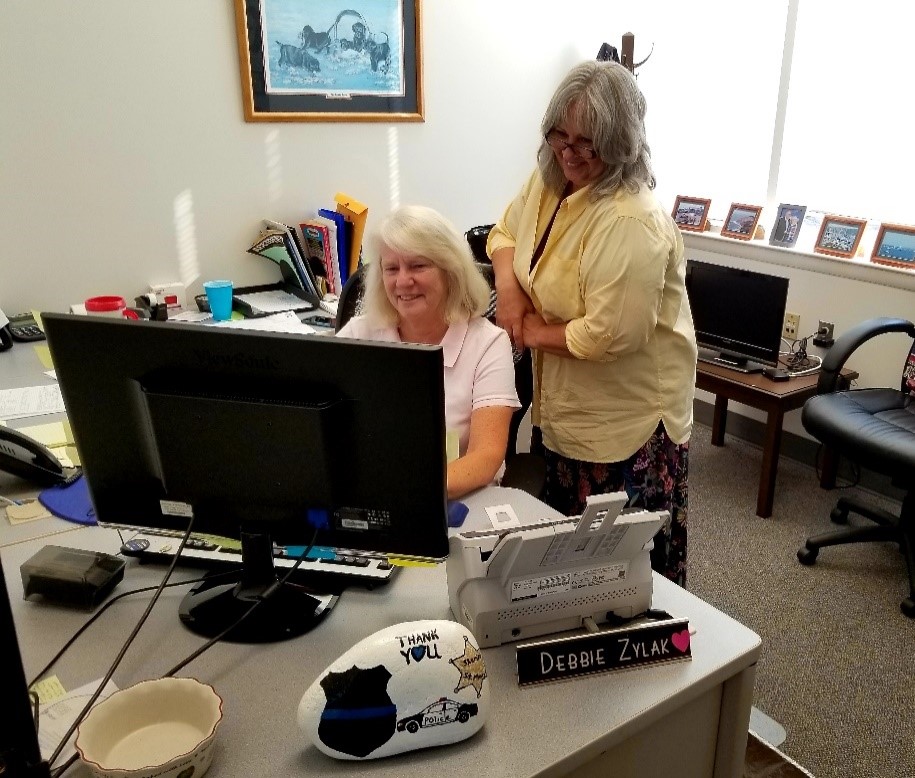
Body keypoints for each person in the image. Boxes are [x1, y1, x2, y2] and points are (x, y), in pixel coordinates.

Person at [487, 60, 697, 586]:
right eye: (560, 135)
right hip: (564, 402)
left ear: (620, 142)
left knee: (621, 573)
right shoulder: (548, 179)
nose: (569, 153)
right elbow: (504, 232)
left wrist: (529, 333)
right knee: (561, 560)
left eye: (588, 143)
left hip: (624, 422)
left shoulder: (630, 219)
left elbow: (606, 335)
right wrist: (510, 297)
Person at [337, 205, 520, 500]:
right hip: (370, 499)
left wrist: (410, 491)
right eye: (391, 268)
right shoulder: (360, 333)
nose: (403, 281)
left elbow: (486, 457)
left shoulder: (487, 343)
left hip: (459, 499)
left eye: (418, 266)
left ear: (450, 271)